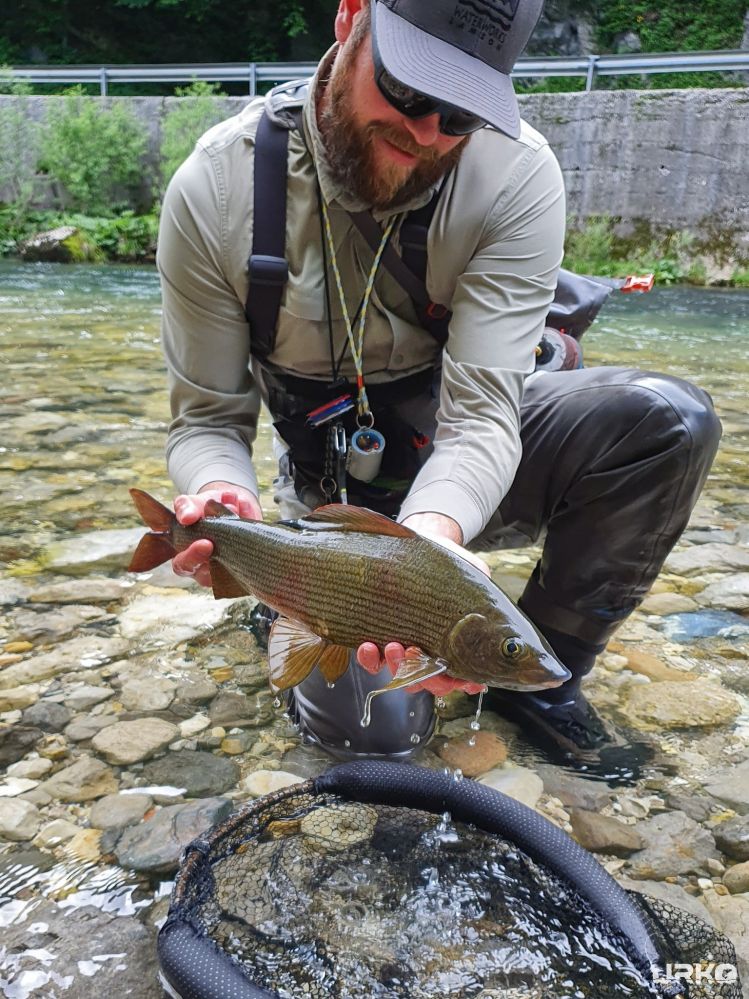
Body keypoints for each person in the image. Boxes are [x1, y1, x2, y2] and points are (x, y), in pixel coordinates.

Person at [157, 0, 721, 766]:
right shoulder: (214, 192)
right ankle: (289, 594)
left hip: (455, 490)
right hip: (334, 516)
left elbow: (484, 420)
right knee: (375, 741)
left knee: (665, 421)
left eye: (459, 112)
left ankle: (537, 676)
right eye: (408, 89)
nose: (426, 132)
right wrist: (222, 497)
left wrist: (429, 556)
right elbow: (207, 422)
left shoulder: (516, 176)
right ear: (350, 17)